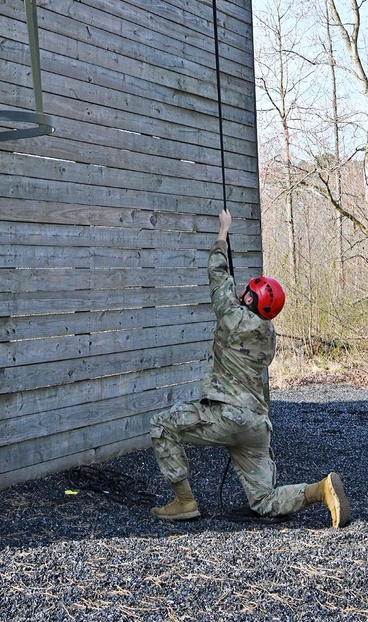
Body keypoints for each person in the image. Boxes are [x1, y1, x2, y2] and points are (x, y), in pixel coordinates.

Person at [147, 208, 351, 526]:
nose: (242, 290)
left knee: (162, 425)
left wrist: (223, 232)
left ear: (252, 299)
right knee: (263, 500)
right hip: (256, 427)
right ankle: (319, 491)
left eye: (248, 290)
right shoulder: (268, 336)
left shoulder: (233, 317)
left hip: (227, 416)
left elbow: (218, 277)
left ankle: (184, 502)